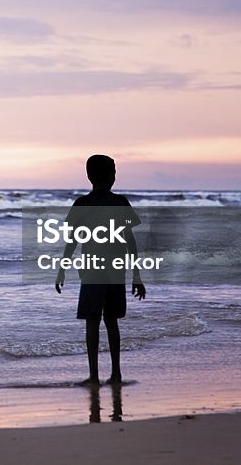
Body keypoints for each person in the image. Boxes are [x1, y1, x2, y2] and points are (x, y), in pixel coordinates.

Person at [55, 154, 146, 386]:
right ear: (111, 177)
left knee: (92, 322)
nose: (114, 176)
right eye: (113, 172)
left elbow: (73, 240)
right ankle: (116, 373)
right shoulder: (120, 203)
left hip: (92, 270)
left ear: (89, 176)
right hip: (116, 271)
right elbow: (130, 242)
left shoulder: (82, 204)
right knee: (112, 321)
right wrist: (136, 275)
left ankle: (94, 375)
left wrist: (63, 268)